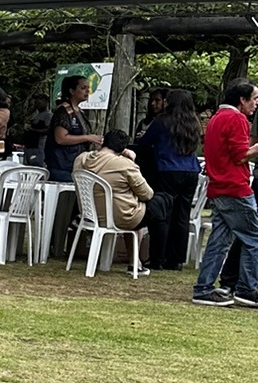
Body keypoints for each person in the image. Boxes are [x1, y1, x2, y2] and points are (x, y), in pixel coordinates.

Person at [192, 78, 258, 307]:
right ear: (242, 100)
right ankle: (248, 289)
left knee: (219, 241)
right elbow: (240, 155)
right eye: (254, 99)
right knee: (253, 239)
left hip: (218, 187)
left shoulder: (216, 118)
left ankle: (203, 287)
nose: (256, 103)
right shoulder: (237, 119)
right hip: (235, 188)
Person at [138, 87, 202, 270]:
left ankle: (158, 258)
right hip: (190, 171)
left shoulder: (162, 121)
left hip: (167, 169)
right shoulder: (194, 123)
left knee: (163, 213)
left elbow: (144, 143)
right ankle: (176, 259)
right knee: (182, 215)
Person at [77, 129, 154, 262]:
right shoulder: (124, 164)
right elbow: (147, 194)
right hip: (120, 216)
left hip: (89, 215)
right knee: (159, 205)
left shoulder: (81, 159)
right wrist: (131, 160)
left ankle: (136, 260)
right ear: (123, 149)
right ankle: (140, 260)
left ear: (103, 142)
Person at [44, 74, 102, 183]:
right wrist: (87, 138)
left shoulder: (79, 111)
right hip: (62, 165)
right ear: (72, 91)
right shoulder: (63, 111)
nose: (87, 91)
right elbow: (60, 138)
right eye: (83, 88)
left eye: (88, 88)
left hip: (74, 164)